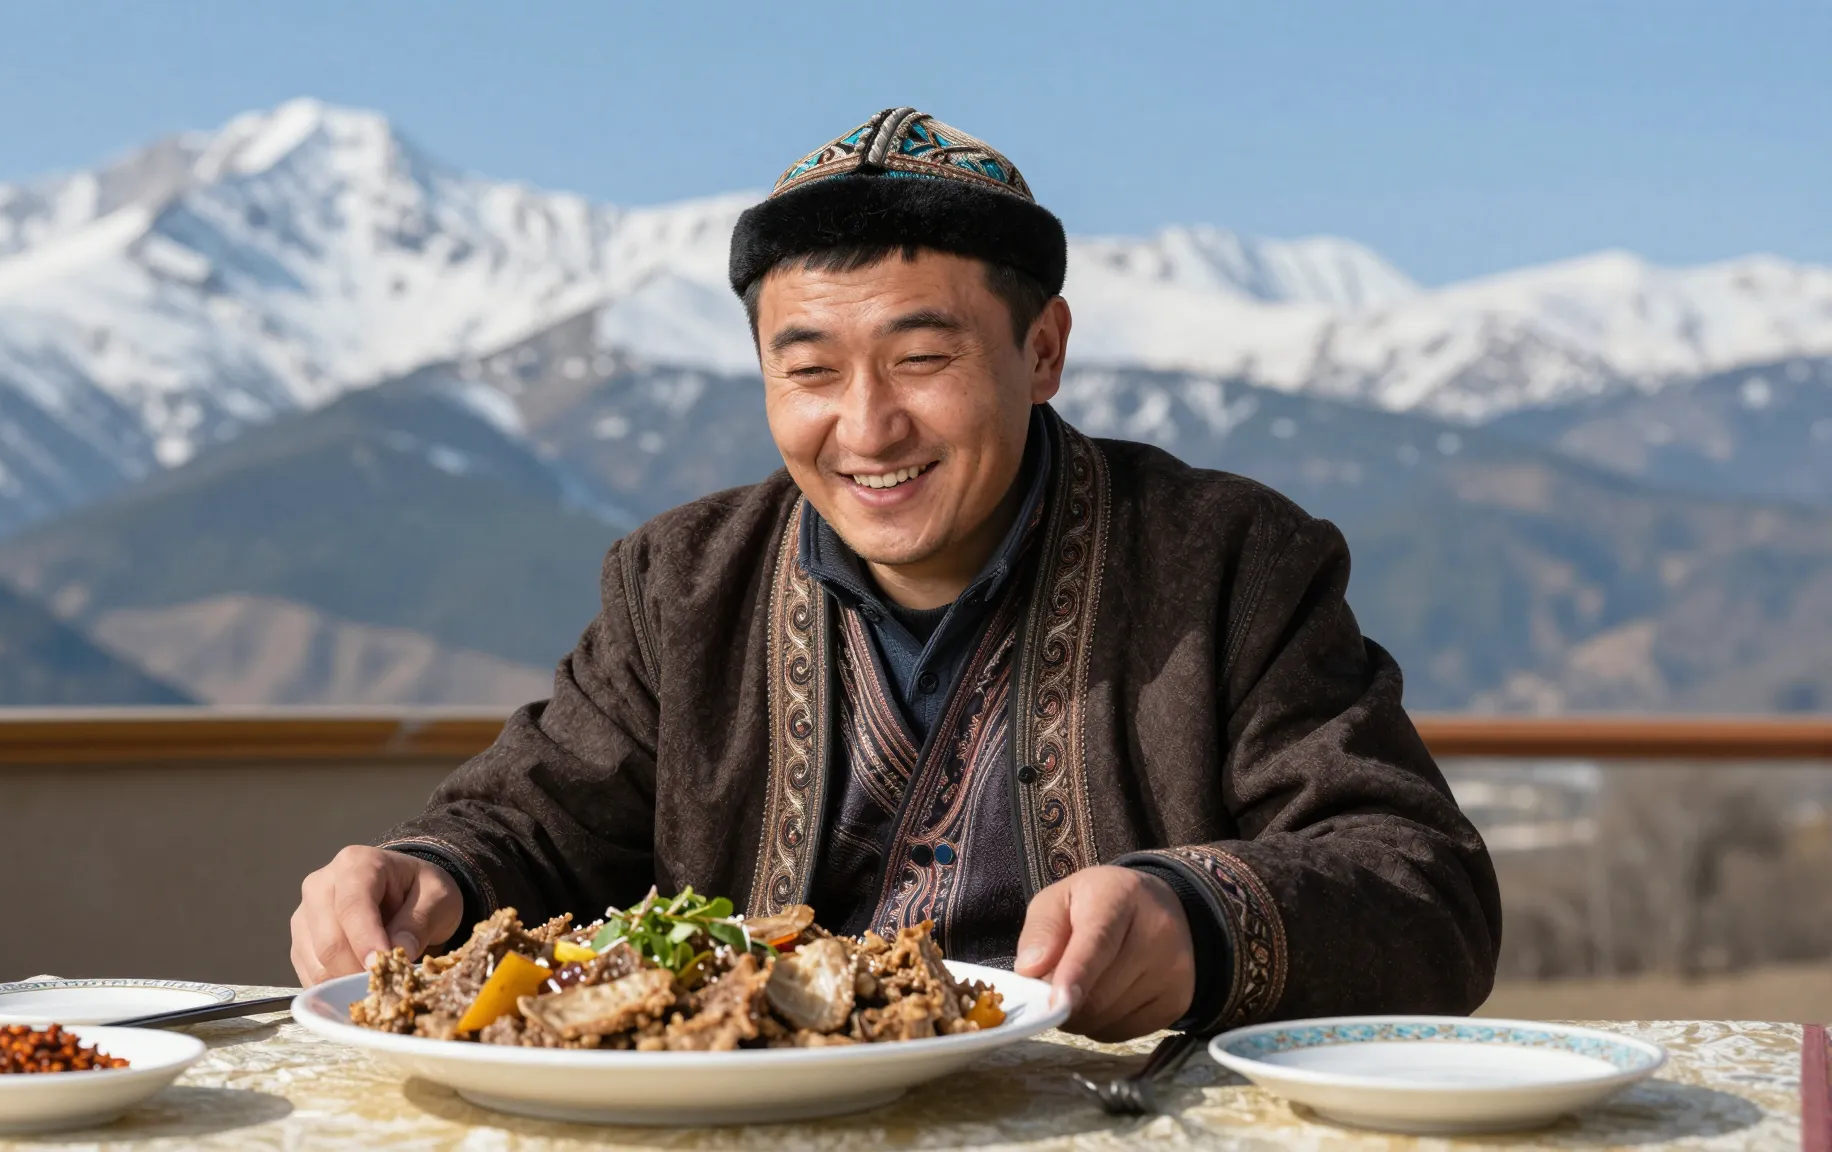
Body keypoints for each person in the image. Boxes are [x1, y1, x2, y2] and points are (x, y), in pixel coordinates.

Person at [290, 108, 1500, 1040]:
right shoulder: (681, 582)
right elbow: (533, 824)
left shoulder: (1230, 562)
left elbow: (1422, 887)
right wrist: (423, 876)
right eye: (807, 371)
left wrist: (1194, 913)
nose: (865, 429)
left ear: (1040, 351)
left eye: (920, 357)